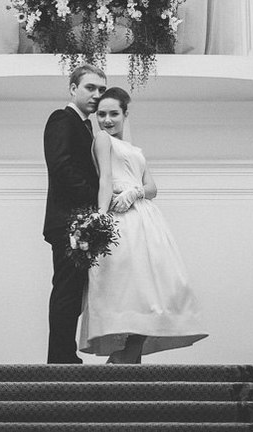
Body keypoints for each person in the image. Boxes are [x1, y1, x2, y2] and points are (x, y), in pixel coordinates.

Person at [80, 87, 207, 363]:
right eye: (101, 114)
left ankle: (127, 358)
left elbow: (152, 187)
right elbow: (105, 179)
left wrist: (135, 192)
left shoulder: (135, 150)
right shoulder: (102, 139)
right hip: (120, 217)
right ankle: (125, 358)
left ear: (125, 114)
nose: (107, 120)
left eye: (114, 114)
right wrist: (101, 215)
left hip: (145, 216)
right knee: (131, 288)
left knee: (154, 288)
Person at [43, 63, 107, 364]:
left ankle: (64, 355)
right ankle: (60, 360)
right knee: (67, 291)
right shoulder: (62, 119)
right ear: (73, 88)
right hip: (69, 220)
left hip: (80, 222)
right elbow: (61, 166)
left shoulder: (87, 126)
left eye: (101, 90)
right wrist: (96, 200)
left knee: (74, 292)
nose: (97, 95)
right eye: (90, 88)